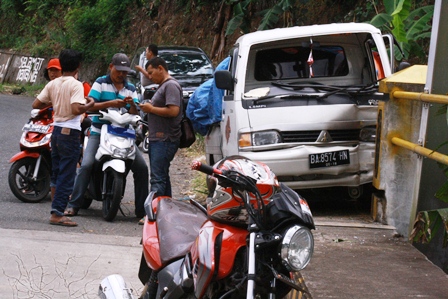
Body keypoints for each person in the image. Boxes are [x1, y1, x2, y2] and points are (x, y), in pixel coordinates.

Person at [65, 53, 149, 219]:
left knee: (142, 168)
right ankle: (73, 204)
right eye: (119, 70)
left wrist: (132, 105)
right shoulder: (100, 83)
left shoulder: (131, 88)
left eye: (125, 72)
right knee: (87, 164)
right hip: (99, 132)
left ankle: (141, 211)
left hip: (124, 133)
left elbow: (136, 111)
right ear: (111, 67)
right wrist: (111, 104)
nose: (121, 75)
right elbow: (91, 104)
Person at [32, 49, 94, 227]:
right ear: (78, 66)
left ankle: (55, 208)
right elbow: (76, 109)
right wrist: (89, 104)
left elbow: (36, 104)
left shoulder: (53, 84)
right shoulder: (75, 85)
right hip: (70, 131)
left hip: (56, 131)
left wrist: (57, 101)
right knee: (67, 174)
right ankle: (57, 213)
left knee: (57, 171)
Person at [139, 57, 182, 201]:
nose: (149, 77)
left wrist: (151, 109)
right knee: (162, 175)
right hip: (158, 138)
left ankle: (153, 212)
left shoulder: (171, 86)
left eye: (151, 73)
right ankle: (166, 210)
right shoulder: (163, 86)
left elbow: (173, 111)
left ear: (160, 69)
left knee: (157, 178)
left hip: (165, 138)